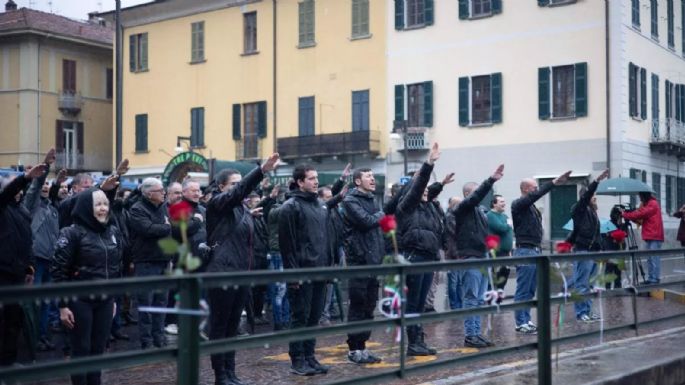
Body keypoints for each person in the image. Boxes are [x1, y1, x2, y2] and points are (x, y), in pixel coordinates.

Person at [206, 153, 279, 385]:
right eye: (234, 184)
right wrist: (259, 171)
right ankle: (220, 375)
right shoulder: (217, 203)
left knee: (232, 327)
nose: (239, 188)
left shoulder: (242, 210)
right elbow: (237, 194)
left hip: (240, 273)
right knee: (220, 327)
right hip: (223, 273)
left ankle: (230, 372)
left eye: (240, 183)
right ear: (221, 187)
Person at [52, 188, 123, 385]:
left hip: (105, 299)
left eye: (105, 204)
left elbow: (117, 268)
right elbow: (59, 271)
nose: (103, 208)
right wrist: (63, 305)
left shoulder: (112, 231)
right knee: (81, 349)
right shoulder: (71, 233)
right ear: (86, 207)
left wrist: (114, 298)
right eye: (98, 204)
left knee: (98, 350)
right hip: (79, 300)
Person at [279, 164, 331, 376]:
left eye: (316, 178)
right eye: (311, 178)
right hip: (302, 271)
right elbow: (287, 245)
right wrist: (294, 275)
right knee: (300, 317)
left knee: (314, 317)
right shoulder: (290, 207)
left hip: (319, 269)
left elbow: (324, 239)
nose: (316, 181)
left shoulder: (319, 205)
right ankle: (297, 359)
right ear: (300, 182)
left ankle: (309, 356)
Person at [450, 165, 504, 348]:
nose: (480, 197)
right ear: (467, 195)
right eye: (475, 194)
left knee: (480, 298)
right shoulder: (462, 208)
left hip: (482, 257)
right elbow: (475, 197)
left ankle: (476, 333)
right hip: (470, 257)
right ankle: (470, 335)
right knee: (471, 297)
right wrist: (490, 181)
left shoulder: (480, 212)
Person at [395, 143, 442, 356]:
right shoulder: (406, 207)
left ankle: (419, 341)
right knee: (413, 303)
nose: (425, 192)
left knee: (421, 304)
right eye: (421, 190)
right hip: (414, 258)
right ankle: (413, 343)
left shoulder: (429, 208)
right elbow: (417, 188)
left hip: (428, 258)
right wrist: (429, 164)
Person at [511, 170, 572, 334]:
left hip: (534, 249)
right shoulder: (518, 204)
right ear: (525, 189)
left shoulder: (531, 207)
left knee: (530, 289)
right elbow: (533, 197)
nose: (536, 189)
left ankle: (526, 319)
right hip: (525, 250)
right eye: (533, 187)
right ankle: (520, 322)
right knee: (523, 288)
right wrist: (552, 183)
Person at [0, 164, 45, 366]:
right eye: (14, 188)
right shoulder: (2, 207)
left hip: (18, 273)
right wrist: (25, 178)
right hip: (2, 274)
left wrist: (30, 267)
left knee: (14, 320)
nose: (17, 191)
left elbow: (27, 241)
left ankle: (9, 363)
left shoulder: (21, 211)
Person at [341, 167, 385, 364]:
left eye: (373, 176)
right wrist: (383, 214)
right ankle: (354, 349)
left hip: (374, 261)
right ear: (358, 181)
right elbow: (366, 222)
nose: (373, 179)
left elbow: (377, 229)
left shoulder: (373, 200)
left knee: (369, 307)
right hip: (358, 261)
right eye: (368, 176)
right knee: (358, 306)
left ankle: (363, 347)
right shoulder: (350, 201)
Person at [23, 149, 60, 351]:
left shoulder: (52, 209)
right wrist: (45, 167)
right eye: (44, 183)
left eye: (48, 184)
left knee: (46, 302)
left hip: (50, 260)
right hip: (36, 260)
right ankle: (34, 337)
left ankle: (43, 335)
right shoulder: (32, 204)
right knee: (35, 302)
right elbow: (35, 188)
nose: (45, 186)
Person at [128, 177, 172, 349]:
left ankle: (159, 338)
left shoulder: (163, 207)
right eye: (160, 190)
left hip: (164, 260)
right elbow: (147, 229)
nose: (164, 193)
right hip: (146, 262)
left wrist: (164, 226)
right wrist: (166, 226)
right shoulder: (137, 209)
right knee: (146, 303)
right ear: (148, 194)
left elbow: (169, 227)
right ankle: (147, 341)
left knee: (161, 302)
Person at [568, 170, 609, 323]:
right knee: (581, 284)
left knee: (590, 284)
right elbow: (585, 198)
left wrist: (601, 251)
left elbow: (597, 234)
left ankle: (589, 311)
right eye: (593, 196)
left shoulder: (593, 212)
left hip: (592, 251)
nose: (595, 198)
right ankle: (581, 313)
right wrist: (596, 182)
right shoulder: (579, 209)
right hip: (583, 250)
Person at [622, 191, 664, 284]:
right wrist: (629, 215)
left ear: (644, 195)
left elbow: (640, 214)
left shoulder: (652, 204)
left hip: (655, 236)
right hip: (651, 235)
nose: (640, 198)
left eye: (640, 196)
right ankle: (651, 278)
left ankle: (655, 279)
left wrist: (625, 214)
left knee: (654, 258)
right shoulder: (647, 204)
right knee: (650, 258)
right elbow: (639, 218)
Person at [486, 195, 513, 291]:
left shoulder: (505, 216)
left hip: (506, 252)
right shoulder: (490, 215)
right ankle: (492, 296)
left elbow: (509, 231)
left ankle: (499, 293)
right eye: (501, 202)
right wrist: (508, 224)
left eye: (504, 201)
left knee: (505, 272)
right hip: (496, 252)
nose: (504, 204)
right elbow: (501, 228)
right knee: (496, 276)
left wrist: (510, 249)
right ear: (494, 204)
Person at [445, 196, 463, 310]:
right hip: (452, 253)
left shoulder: (459, 216)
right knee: (453, 281)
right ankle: (454, 305)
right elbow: (456, 232)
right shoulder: (450, 216)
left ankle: (460, 304)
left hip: (460, 253)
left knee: (460, 281)